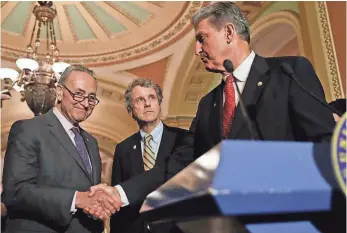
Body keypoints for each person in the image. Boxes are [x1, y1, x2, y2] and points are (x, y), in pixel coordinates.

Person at [86, 1, 336, 217]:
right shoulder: (208, 104)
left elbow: (326, 144)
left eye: (201, 38)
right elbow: (177, 165)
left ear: (228, 32)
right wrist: (119, 193)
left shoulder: (288, 73)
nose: (197, 50)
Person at [2, 64, 121, 233]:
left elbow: (89, 197)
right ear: (59, 92)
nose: (86, 104)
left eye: (92, 98)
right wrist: (76, 199)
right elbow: (15, 193)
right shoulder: (28, 129)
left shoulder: (91, 142)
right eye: (78, 94)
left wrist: (98, 205)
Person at [110, 78, 187, 233]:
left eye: (152, 98)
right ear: (131, 110)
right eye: (140, 100)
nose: (147, 103)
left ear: (159, 104)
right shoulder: (123, 149)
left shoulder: (183, 139)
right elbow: (117, 202)